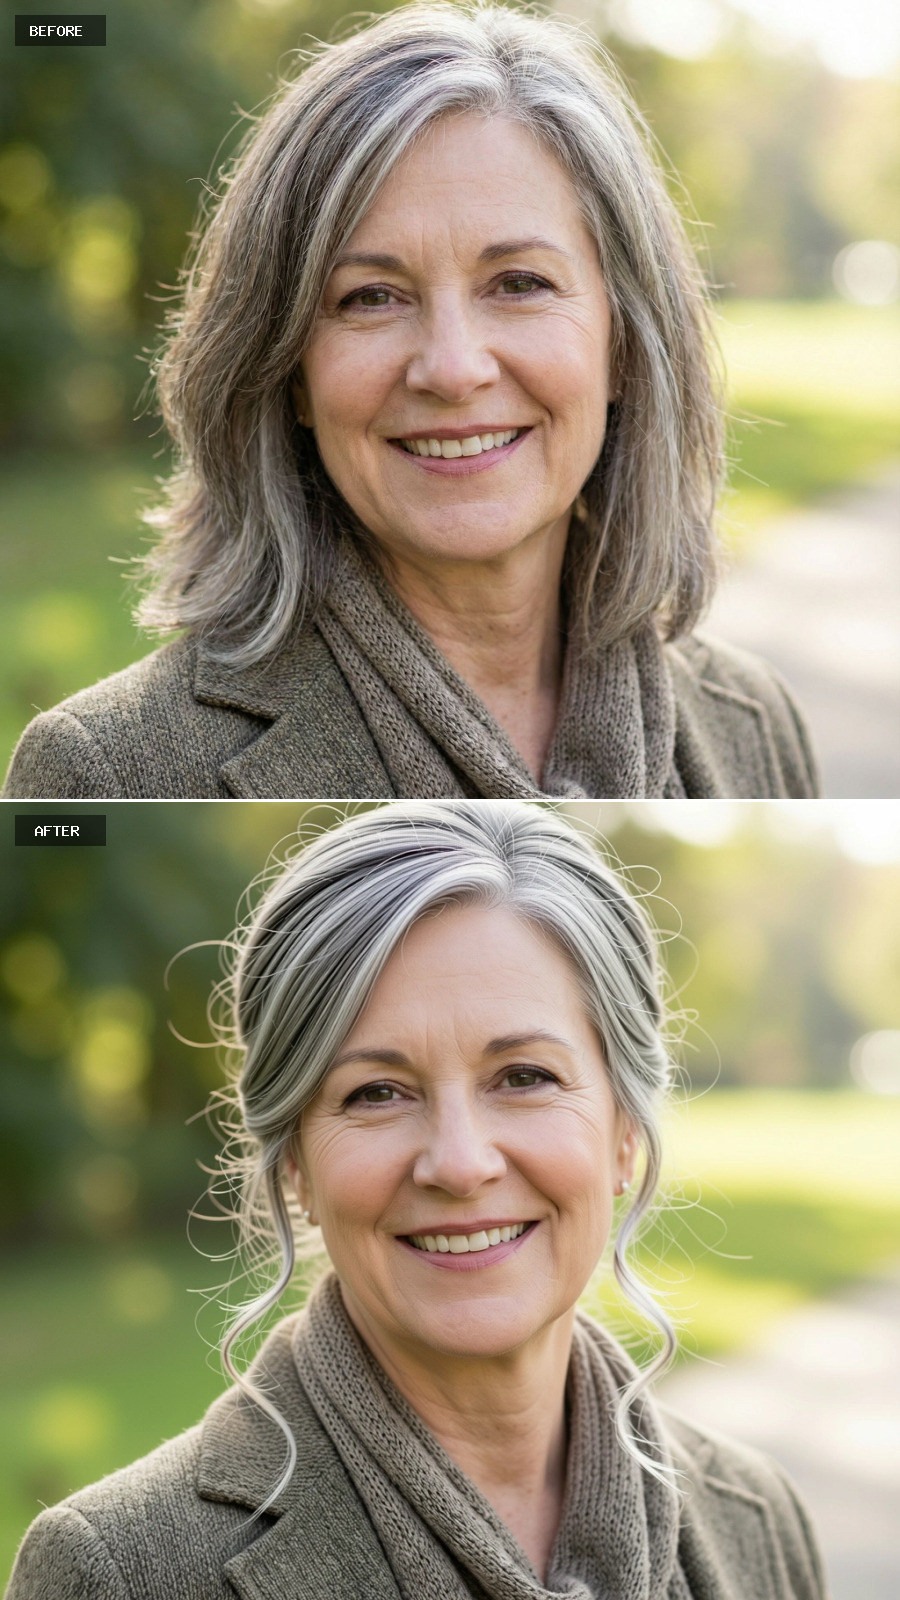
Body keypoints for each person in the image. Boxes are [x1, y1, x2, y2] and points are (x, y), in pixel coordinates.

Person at [7, 801, 828, 1599]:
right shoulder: (115, 1572)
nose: (460, 1163)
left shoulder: (756, 1519)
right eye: (376, 1093)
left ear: (625, 1132)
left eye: (524, 1077)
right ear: (295, 1162)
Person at [3, 4, 818, 802]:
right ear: (288, 372)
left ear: (626, 346)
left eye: (520, 283)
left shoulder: (754, 721)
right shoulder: (106, 771)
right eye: (371, 298)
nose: (453, 368)